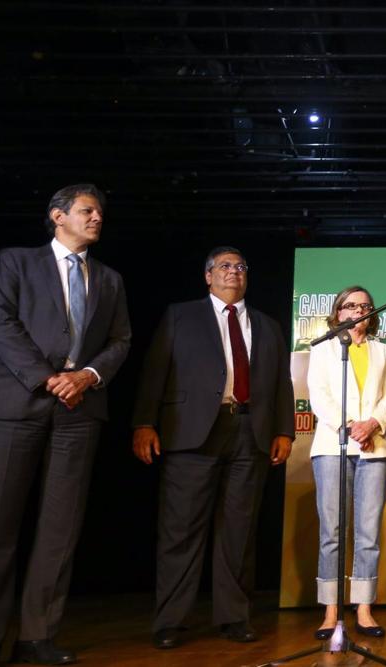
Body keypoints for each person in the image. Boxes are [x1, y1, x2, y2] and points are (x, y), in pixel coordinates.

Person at [0, 184, 131, 667]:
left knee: (60, 529)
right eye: (86, 210)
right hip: (14, 405)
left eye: (100, 212)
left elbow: (120, 340)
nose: (97, 217)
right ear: (58, 216)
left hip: (79, 410)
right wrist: (47, 377)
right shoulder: (15, 261)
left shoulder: (110, 279)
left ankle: (37, 635)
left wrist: (87, 375)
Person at [131, 246, 295, 649]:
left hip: (251, 431)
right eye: (224, 266)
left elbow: (281, 383)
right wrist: (144, 422)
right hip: (191, 433)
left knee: (239, 530)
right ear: (208, 276)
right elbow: (155, 371)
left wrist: (284, 430)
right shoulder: (180, 316)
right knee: (181, 529)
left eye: (240, 266)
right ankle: (170, 621)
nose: (234, 272)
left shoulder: (267, 325)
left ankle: (234, 617)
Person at [307, 286, 386, 639]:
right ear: (338, 312)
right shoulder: (322, 349)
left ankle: (363, 608)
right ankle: (331, 610)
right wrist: (350, 427)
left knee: (368, 531)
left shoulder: (385, 352)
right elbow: (319, 396)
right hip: (332, 445)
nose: (358, 311)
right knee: (331, 531)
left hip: (374, 447)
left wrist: (372, 424)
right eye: (351, 305)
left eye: (365, 306)